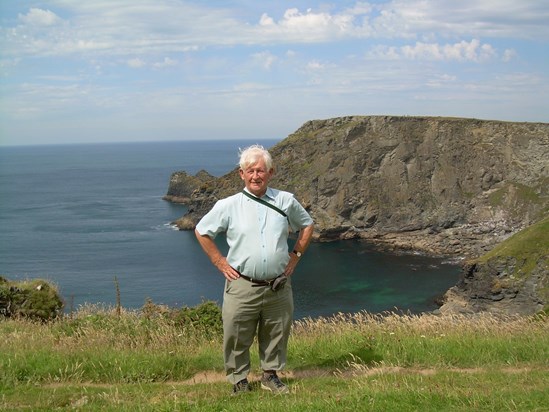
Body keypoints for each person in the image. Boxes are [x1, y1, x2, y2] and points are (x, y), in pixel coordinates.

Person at [194, 144, 314, 395]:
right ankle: (239, 380)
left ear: (271, 172)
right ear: (241, 174)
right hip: (242, 284)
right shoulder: (228, 205)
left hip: (278, 284)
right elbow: (202, 231)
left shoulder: (285, 200)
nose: (255, 176)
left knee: (276, 332)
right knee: (236, 334)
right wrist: (219, 262)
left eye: (260, 170)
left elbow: (307, 225)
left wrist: (295, 257)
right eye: (250, 171)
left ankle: (270, 376)